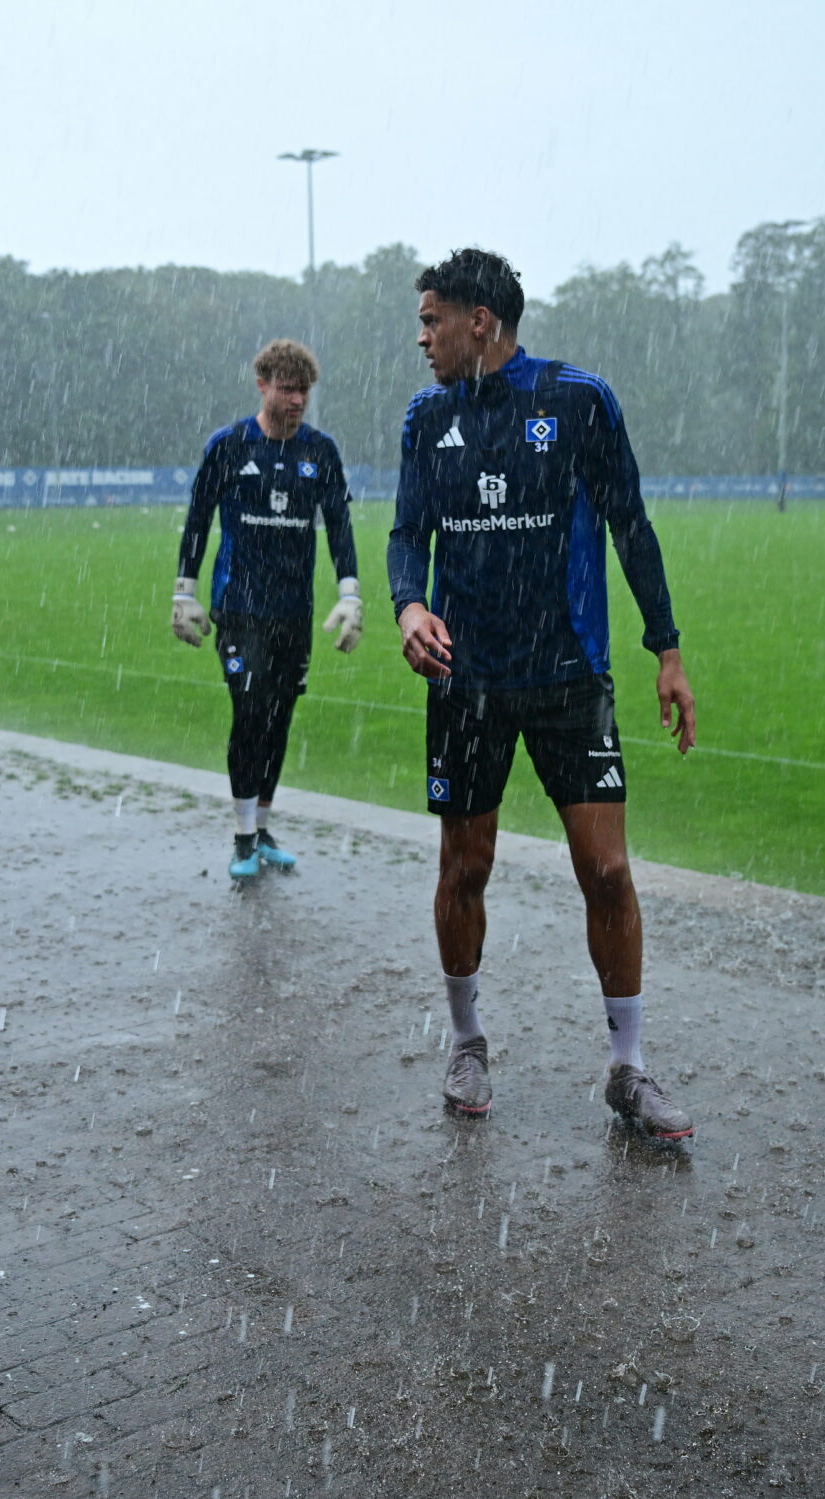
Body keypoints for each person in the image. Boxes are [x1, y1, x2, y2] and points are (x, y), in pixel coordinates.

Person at [386, 248, 699, 1141]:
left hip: (569, 677)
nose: (423, 339)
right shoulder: (427, 418)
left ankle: (628, 1068)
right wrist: (410, 605)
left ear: (479, 322)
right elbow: (409, 533)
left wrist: (666, 650)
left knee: (606, 870)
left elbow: (631, 524)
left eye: (432, 320)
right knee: (464, 868)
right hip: (466, 680)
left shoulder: (576, 401)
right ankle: (468, 1038)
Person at [170, 339, 364, 880]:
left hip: (292, 611)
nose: (297, 399)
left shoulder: (320, 452)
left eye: (303, 390)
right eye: (287, 388)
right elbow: (198, 519)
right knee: (251, 708)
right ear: (263, 385)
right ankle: (241, 835)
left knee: (279, 719)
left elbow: (340, 526)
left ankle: (263, 826)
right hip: (239, 607)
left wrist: (350, 593)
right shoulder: (229, 445)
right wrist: (183, 592)